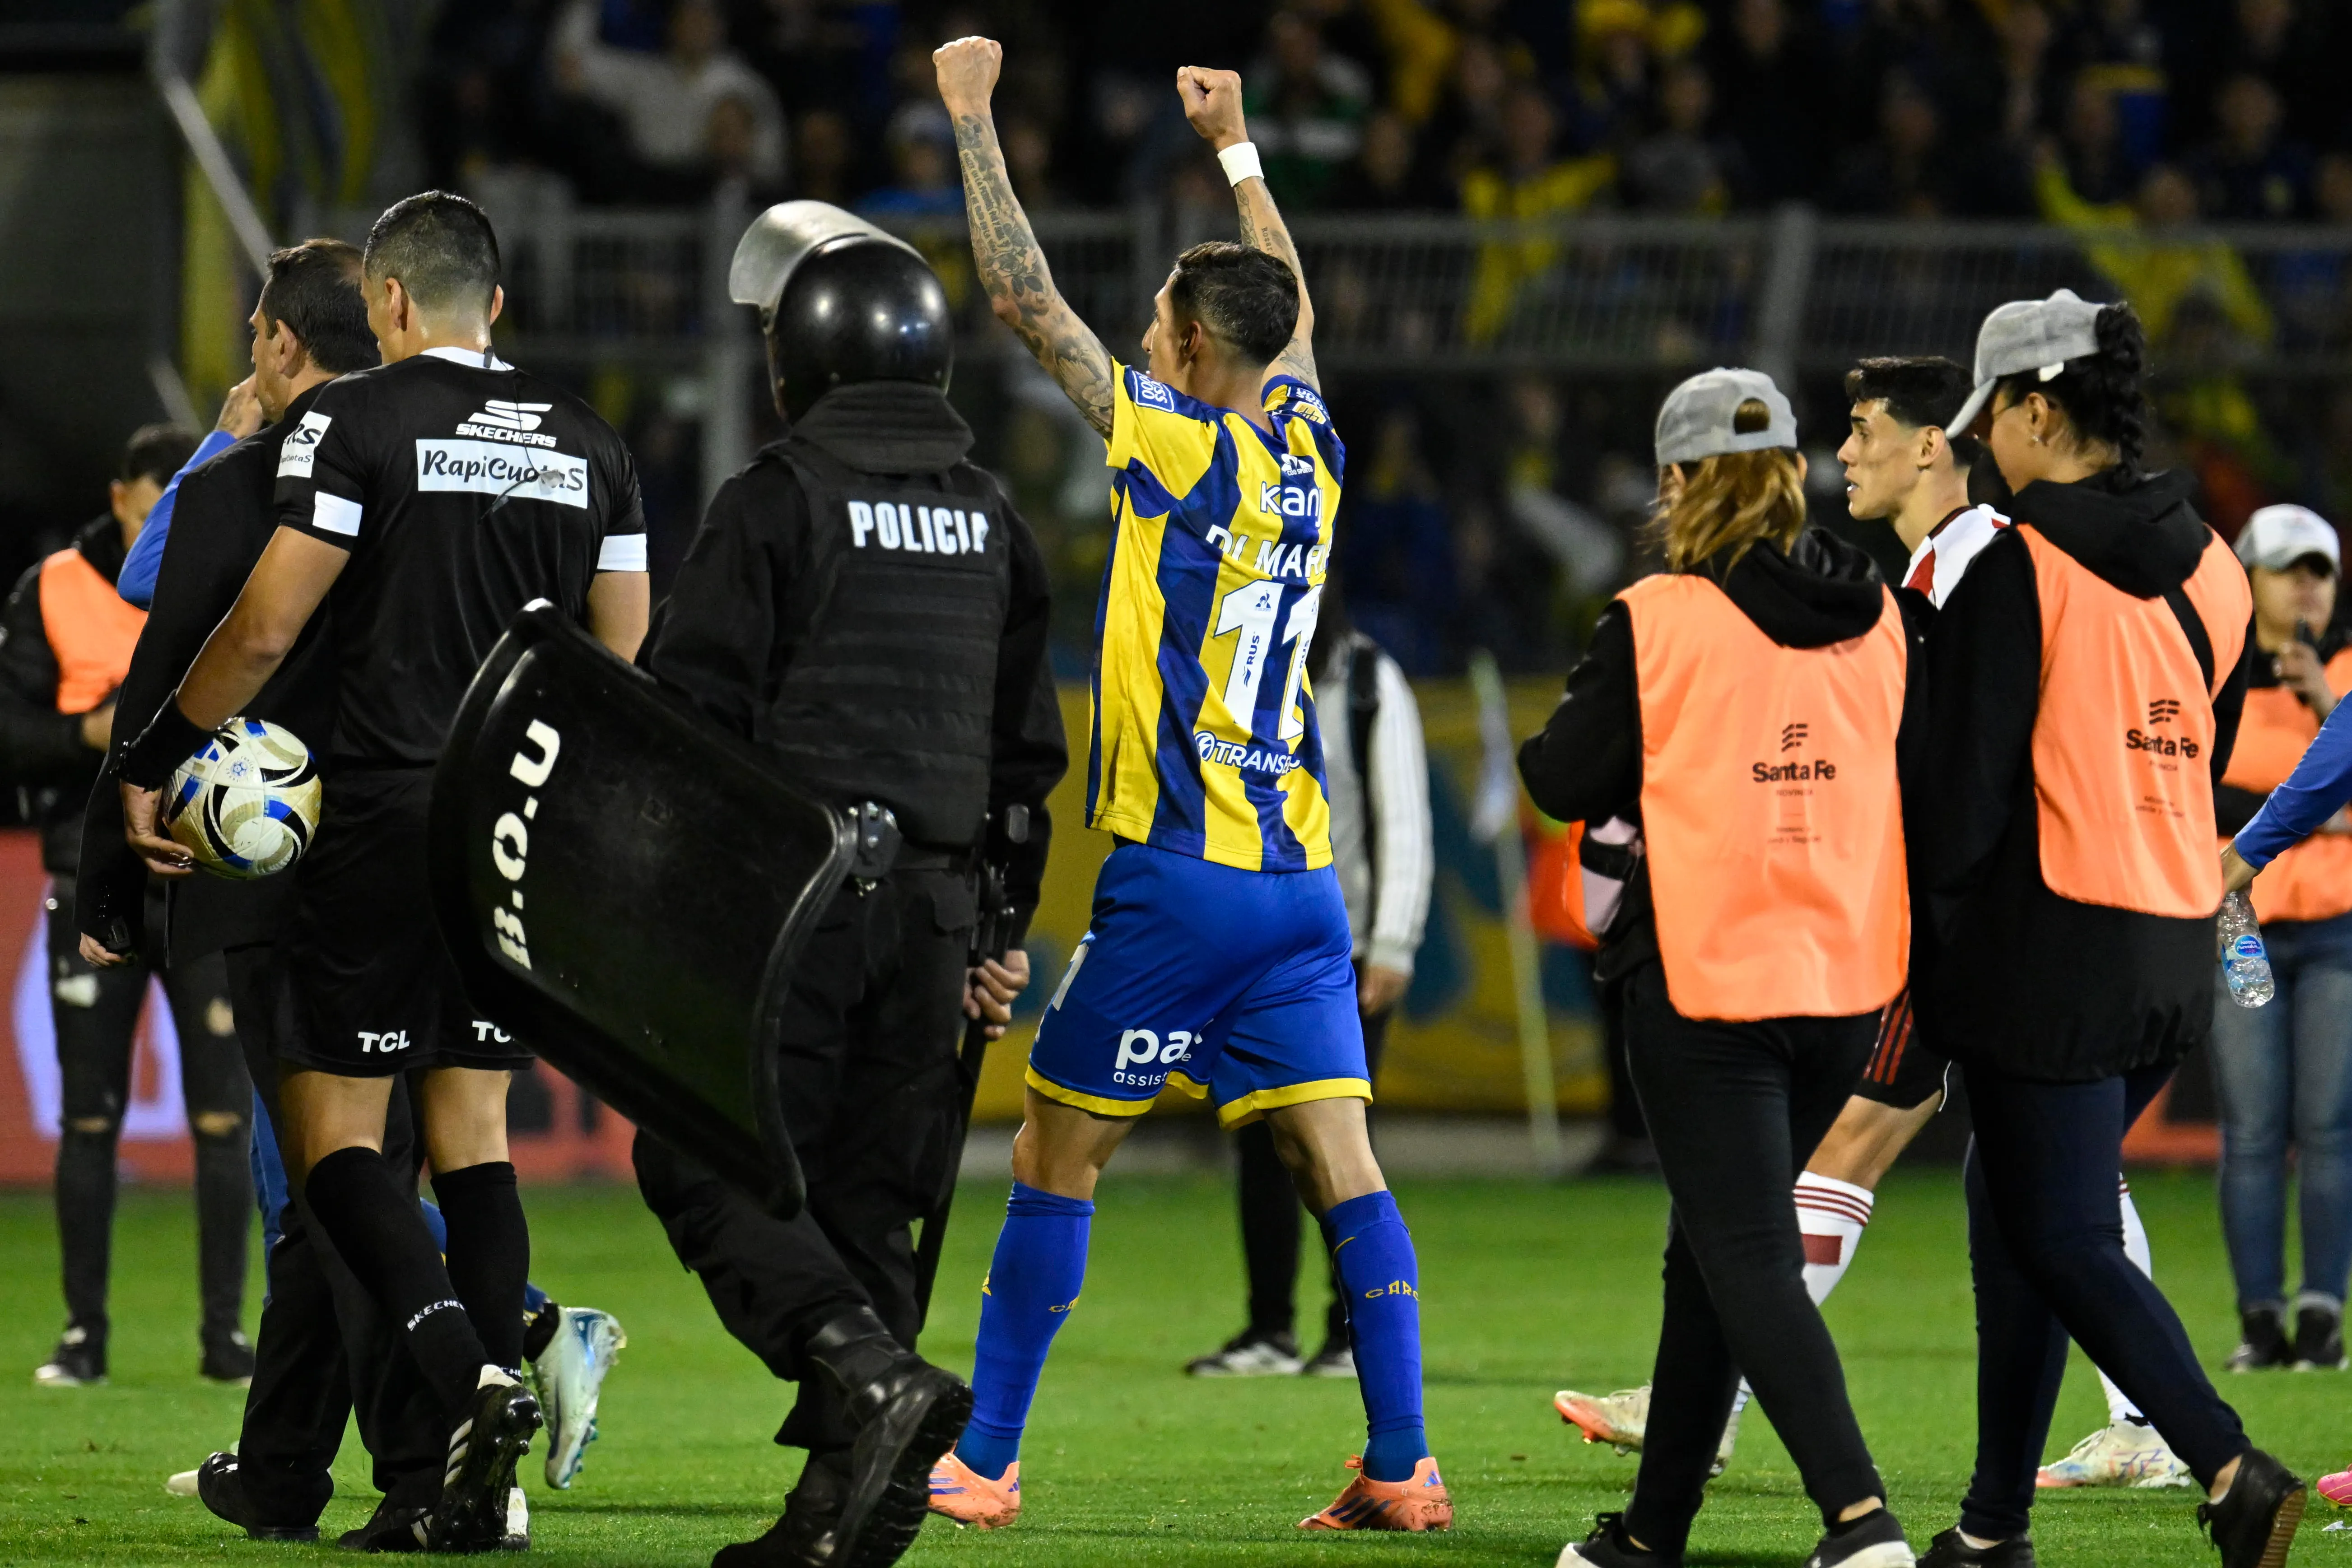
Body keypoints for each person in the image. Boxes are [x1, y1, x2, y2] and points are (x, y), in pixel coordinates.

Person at [926, 38, 1452, 1534]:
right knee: (1341, 1158)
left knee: (1051, 1147)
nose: (1144, 336)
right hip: (1296, 882)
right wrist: (1236, 152)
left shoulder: (1178, 441)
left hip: (1177, 878)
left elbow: (1026, 303)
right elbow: (1286, 311)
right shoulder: (1308, 448)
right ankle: (1399, 1460)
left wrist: (970, 116)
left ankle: (987, 1454)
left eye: (1160, 322)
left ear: (1191, 360)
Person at [112, 190, 649, 1552]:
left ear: (393, 307)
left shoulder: (359, 423)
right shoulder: (595, 445)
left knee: (337, 1141)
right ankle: (477, 1487)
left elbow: (264, 623)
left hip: (378, 817)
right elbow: (622, 659)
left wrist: (157, 752)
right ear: (500, 308)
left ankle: (468, 1374)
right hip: (513, 831)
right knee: (474, 1140)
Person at [1551, 355, 2191, 1492]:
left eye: (1864, 429)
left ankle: (1757, 1407)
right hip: (1953, 914)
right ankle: (2149, 1428)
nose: (1844, 452)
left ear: (1932, 444)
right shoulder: (1914, 578)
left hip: (1972, 918)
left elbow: (1978, 755)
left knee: (1875, 1152)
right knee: (2060, 1179)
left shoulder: (1989, 565)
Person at [629, 198, 1066, 1568]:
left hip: (795, 905)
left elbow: (686, 723)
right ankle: (834, 1518)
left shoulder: (776, 503)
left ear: (799, 364)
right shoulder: (993, 520)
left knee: (698, 1159)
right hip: (939, 919)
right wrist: (998, 931)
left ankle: (863, 1379)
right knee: (877, 1203)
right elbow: (1021, 756)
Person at [1910, 288, 2300, 1568]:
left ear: (2034, 407)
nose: (1980, 448)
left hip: (2046, 940)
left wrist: (1922, 945)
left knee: (2061, 1232)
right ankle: (1993, 1526)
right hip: (2170, 938)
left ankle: (2231, 1463)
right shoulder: (2215, 563)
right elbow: (2216, 740)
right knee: (2019, 1210)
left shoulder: (2009, 559)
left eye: (1991, 421)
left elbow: (1960, 791)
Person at [1523, 368, 1920, 1568]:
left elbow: (1559, 778)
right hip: (1847, 983)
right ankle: (1652, 1533)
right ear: (1796, 476)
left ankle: (1861, 1523)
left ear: (1677, 482)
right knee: (1711, 1247)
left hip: (1709, 983)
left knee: (1742, 1250)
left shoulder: (1658, 618)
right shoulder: (1884, 613)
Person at [0, 421, 256, 1391]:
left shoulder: (234, 575)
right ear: (122, 502)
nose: (169, 533)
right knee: (90, 1118)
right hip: (92, 873)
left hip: (203, 881)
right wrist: (89, 730)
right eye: (159, 511)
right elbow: (8, 729)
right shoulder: (54, 589)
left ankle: (227, 1337)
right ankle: (82, 1335)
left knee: (224, 1120)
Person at [1187, 586, 1433, 1380]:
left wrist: (1393, 940)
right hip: (1258, 938)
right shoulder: (1235, 673)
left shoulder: (1365, 680)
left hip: (1347, 946)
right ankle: (1270, 1329)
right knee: (1264, 1139)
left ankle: (1349, 1329)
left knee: (1337, 1143)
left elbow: (1404, 816)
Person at [2210, 503, 2352, 1373]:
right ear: (2247, 580)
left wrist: (2328, 704)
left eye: (2322, 570)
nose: (2308, 585)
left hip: (2341, 928)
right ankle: (2260, 1318)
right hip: (2242, 927)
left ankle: (2323, 1315)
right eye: (2288, 568)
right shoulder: (2217, 679)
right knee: (2255, 1126)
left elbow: (2242, 808)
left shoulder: (2348, 677)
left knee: (2331, 1126)